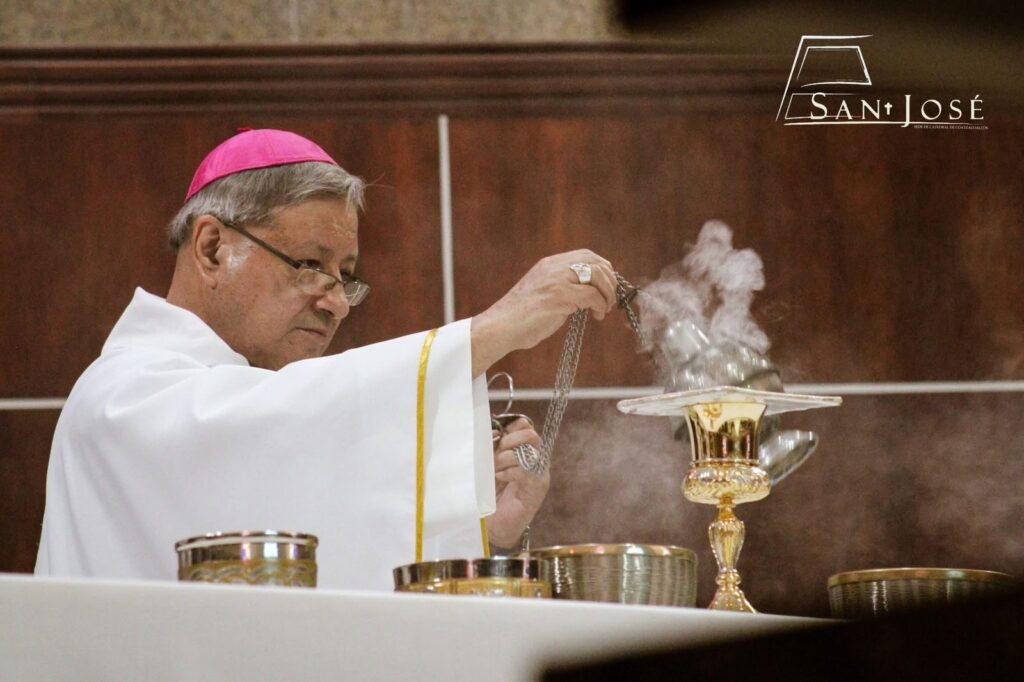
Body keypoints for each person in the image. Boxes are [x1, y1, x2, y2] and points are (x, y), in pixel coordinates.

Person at [35, 129, 618, 590]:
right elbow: (265, 422)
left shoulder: (248, 405)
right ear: (213, 248)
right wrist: (493, 330)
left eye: (346, 276)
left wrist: (480, 529)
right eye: (311, 264)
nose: (337, 302)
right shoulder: (120, 400)